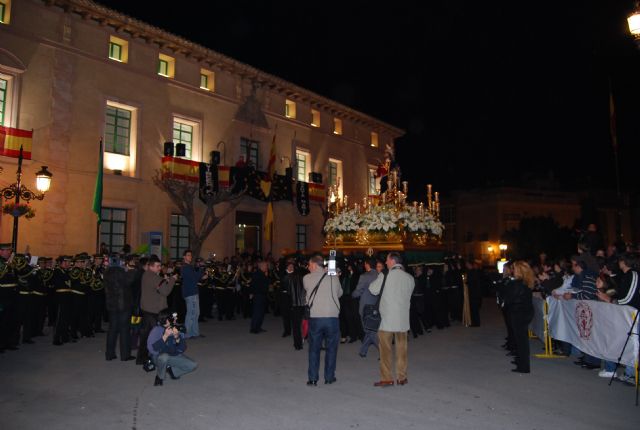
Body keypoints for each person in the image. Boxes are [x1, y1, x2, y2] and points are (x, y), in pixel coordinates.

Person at [369, 252, 415, 387]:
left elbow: (373, 289)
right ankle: (402, 377)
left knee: (385, 350)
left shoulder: (385, 275)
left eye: (387, 261)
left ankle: (387, 378)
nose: (386, 263)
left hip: (387, 319)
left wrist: (379, 277)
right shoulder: (409, 278)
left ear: (393, 261)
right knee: (402, 349)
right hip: (402, 319)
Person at [303, 253, 342, 386]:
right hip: (332, 318)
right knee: (331, 348)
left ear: (314, 265)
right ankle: (329, 377)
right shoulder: (333, 277)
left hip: (316, 318)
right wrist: (333, 275)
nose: (308, 267)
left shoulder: (306, 278)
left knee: (314, 349)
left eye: (309, 265)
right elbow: (340, 293)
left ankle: (313, 378)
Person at [136, 255, 177, 365]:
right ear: (151, 266)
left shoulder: (146, 275)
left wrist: (164, 281)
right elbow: (166, 291)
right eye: (158, 266)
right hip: (154, 311)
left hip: (146, 309)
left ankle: (141, 358)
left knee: (145, 336)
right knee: (157, 336)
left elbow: (157, 288)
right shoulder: (155, 278)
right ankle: (155, 358)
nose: (160, 268)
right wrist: (172, 280)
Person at [147, 309, 197, 386]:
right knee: (164, 357)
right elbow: (152, 350)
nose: (176, 319)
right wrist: (165, 336)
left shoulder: (176, 328)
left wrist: (177, 338)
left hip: (172, 355)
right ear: (166, 320)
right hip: (158, 357)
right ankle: (160, 377)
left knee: (192, 365)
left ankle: (173, 372)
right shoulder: (156, 330)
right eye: (173, 317)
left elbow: (182, 349)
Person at [103, 253, 137, 361]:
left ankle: (109, 354)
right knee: (124, 330)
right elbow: (130, 280)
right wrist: (130, 268)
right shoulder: (122, 272)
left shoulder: (107, 272)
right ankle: (125, 355)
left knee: (112, 329)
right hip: (124, 305)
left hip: (112, 305)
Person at [503, 261, 534, 373]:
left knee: (521, 340)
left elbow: (510, 298)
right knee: (521, 338)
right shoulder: (526, 282)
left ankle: (523, 366)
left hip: (518, 313)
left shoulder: (517, 284)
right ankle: (520, 360)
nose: (512, 270)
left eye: (514, 269)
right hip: (524, 312)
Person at [351, 258, 380, 358]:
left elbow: (358, 291)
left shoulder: (364, 276)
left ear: (367, 265)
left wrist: (352, 295)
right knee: (371, 327)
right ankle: (363, 351)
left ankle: (383, 351)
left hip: (366, 305)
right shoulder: (380, 275)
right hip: (378, 304)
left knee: (368, 329)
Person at [181, 250, 204, 339]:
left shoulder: (189, 267)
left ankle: (194, 333)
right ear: (184, 257)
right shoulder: (185, 267)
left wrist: (200, 273)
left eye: (191, 255)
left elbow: (195, 277)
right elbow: (195, 277)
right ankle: (187, 334)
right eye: (188, 255)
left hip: (193, 292)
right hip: (190, 293)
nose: (190, 257)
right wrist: (201, 268)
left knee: (196, 313)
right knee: (191, 313)